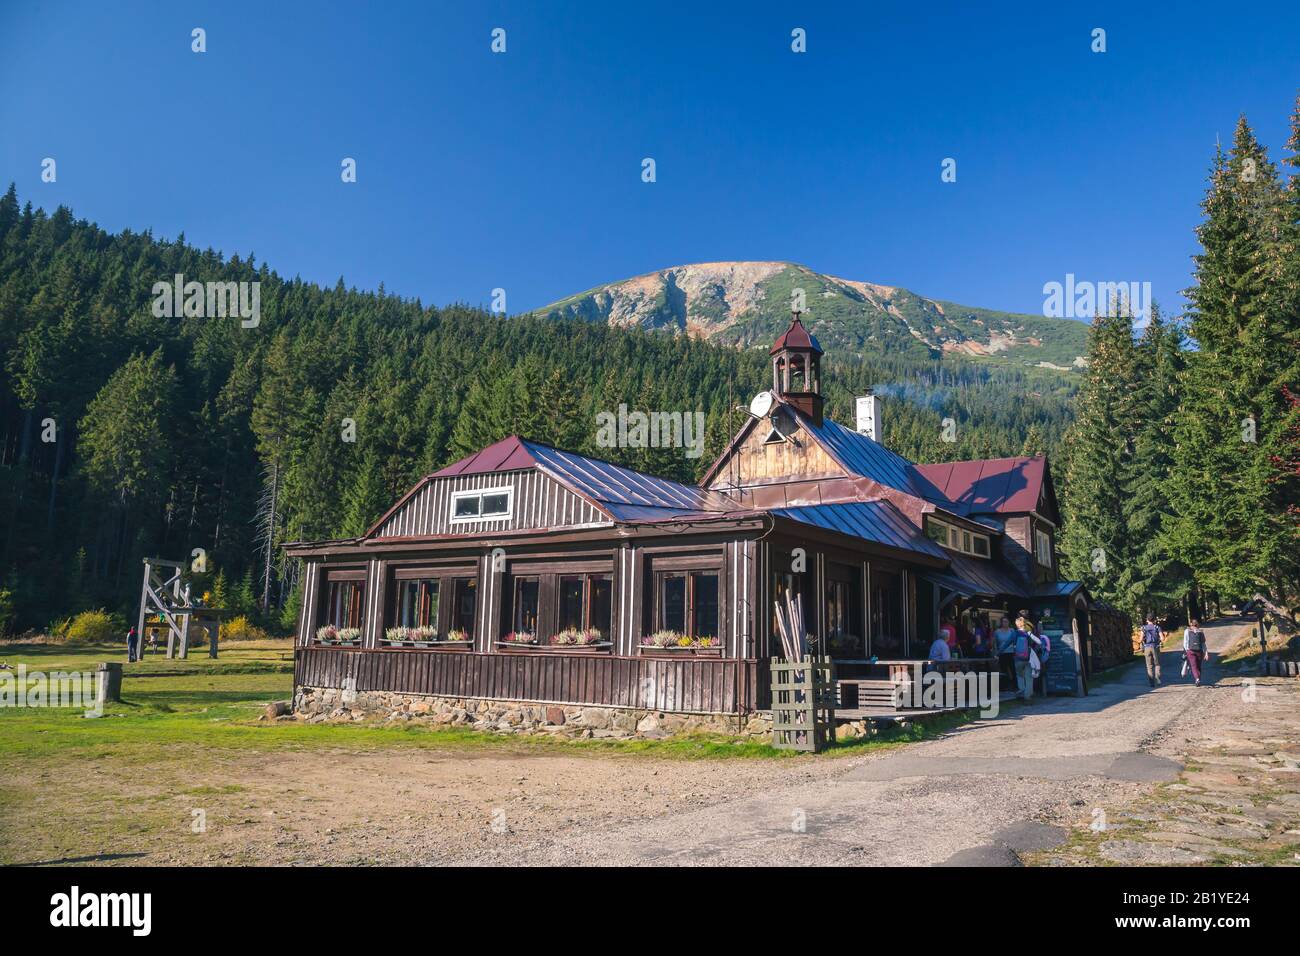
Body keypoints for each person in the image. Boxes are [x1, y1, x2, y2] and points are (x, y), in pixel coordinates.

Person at [993, 615, 1018, 691]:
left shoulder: (1012, 631)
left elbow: (1015, 642)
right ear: (1001, 623)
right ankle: (1005, 686)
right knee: (1003, 670)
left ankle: (1015, 685)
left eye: (1006, 621)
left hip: (1011, 653)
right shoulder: (997, 632)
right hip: (1002, 653)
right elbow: (995, 643)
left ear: (1009, 622)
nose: (1005, 623)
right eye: (1003, 622)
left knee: (1013, 669)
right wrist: (996, 653)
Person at [1183, 618, 1208, 686]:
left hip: (1190, 651)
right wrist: (1206, 653)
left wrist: (1186, 650)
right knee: (1198, 666)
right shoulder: (1200, 631)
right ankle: (1198, 678)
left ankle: (1197, 679)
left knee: (1193, 666)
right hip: (1199, 651)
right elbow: (1203, 643)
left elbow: (1185, 642)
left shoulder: (1187, 631)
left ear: (1191, 624)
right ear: (1197, 624)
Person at [1140, 615, 1163, 686]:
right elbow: (1162, 638)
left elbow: (1140, 639)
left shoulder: (1143, 628)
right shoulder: (1157, 627)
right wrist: (1160, 642)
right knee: (1157, 663)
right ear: (1154, 620)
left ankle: (1151, 682)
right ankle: (1157, 677)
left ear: (1147, 620)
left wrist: (1142, 642)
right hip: (1155, 647)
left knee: (1149, 665)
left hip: (1147, 647)